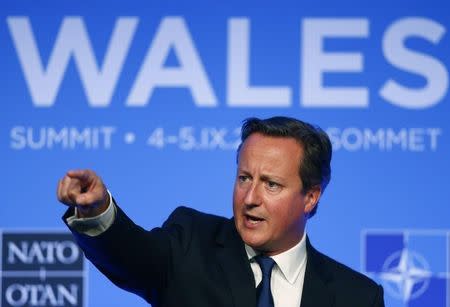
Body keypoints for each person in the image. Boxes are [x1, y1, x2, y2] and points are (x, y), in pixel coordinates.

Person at [57, 116, 384, 307]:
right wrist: (97, 210)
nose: (250, 197)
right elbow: (132, 255)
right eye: (244, 178)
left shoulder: (356, 297)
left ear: (310, 197)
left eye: (271, 184)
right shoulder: (190, 244)